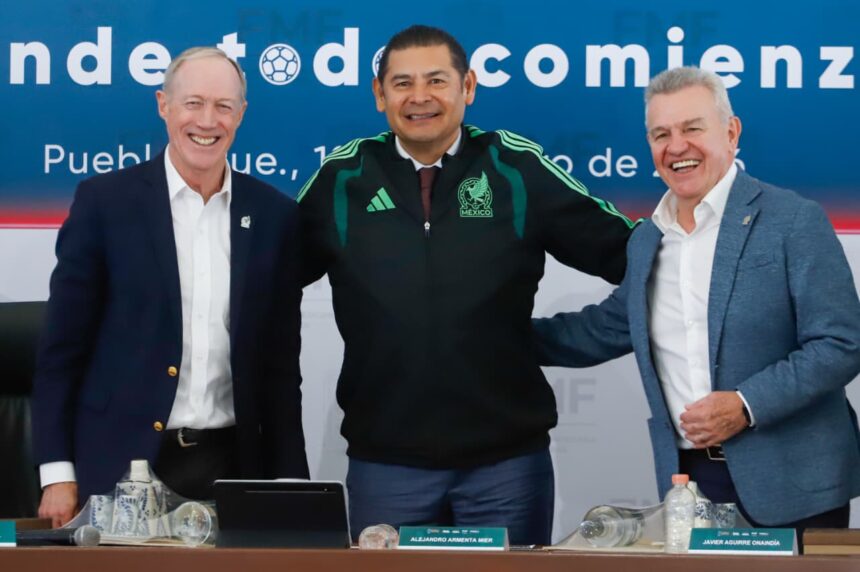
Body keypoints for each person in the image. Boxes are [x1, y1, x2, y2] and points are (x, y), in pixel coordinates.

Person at [298, 25, 634, 544]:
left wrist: (556, 338)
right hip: (386, 467)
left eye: (436, 80)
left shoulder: (516, 168)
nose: (419, 97)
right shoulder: (342, 179)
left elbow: (634, 257)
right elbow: (264, 283)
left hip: (506, 468)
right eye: (402, 83)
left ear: (468, 87)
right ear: (379, 95)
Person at [533, 66, 860, 539]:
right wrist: (492, 336)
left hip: (796, 484)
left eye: (692, 128)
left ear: (731, 132)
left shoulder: (794, 220)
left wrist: (746, 404)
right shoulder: (647, 239)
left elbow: (840, 343)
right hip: (691, 484)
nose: (677, 146)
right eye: (661, 133)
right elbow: (604, 328)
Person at [32, 47, 309, 528]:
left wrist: (292, 486)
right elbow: (60, 353)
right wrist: (57, 474)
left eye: (224, 106)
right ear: (164, 105)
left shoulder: (275, 217)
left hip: (233, 468)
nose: (208, 120)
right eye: (193, 103)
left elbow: (281, 371)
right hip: (121, 468)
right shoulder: (104, 204)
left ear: (241, 114)